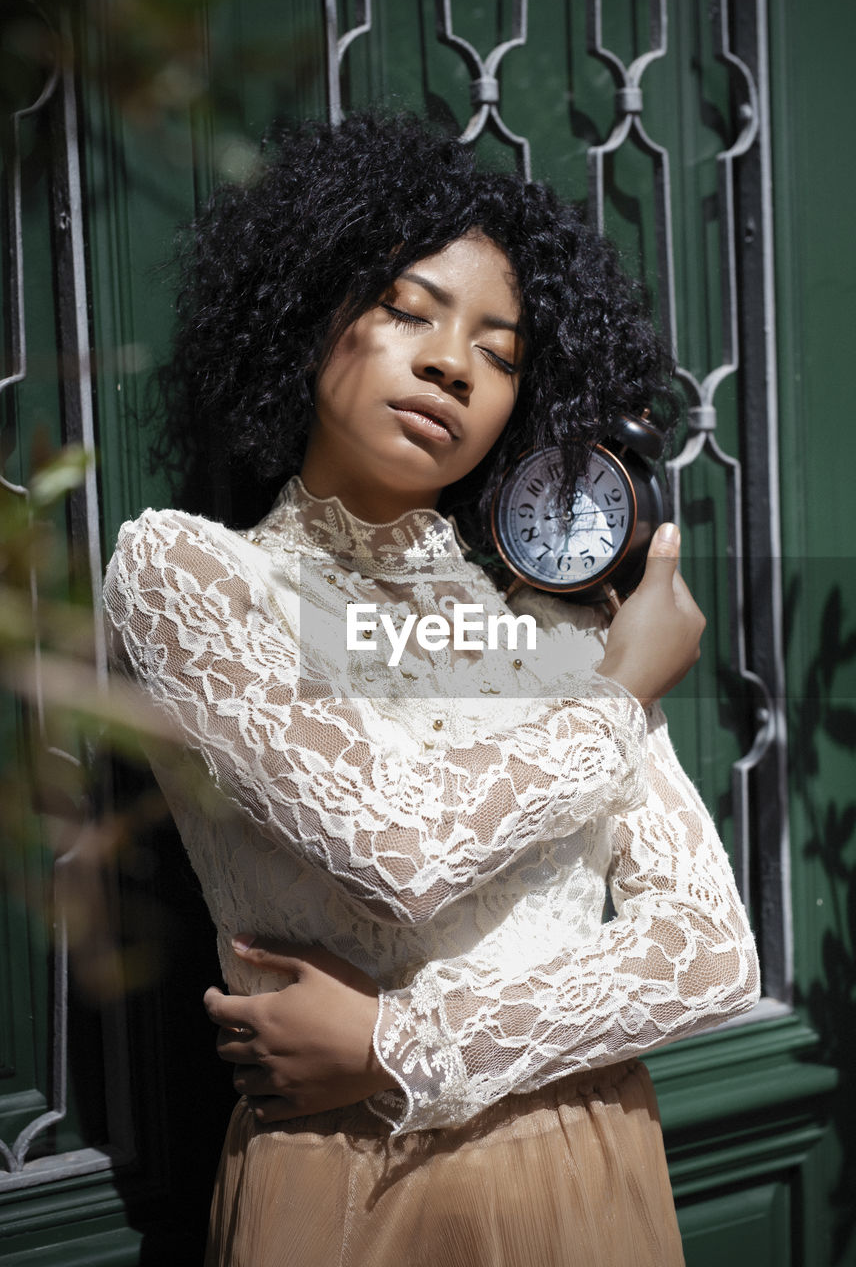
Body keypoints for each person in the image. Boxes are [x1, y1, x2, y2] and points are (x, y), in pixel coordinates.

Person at [103, 112, 760, 1267]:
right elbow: (399, 850)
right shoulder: (191, 576)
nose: (452, 362)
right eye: (407, 308)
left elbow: (708, 954)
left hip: (595, 1174)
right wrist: (617, 699)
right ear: (309, 310)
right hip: (354, 1192)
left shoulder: (554, 621)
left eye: (501, 354)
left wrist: (401, 1041)